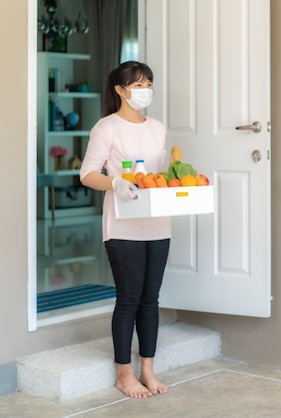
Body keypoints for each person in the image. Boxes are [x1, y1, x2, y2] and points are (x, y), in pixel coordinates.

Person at [80, 61, 170, 399]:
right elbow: (87, 174)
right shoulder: (107, 127)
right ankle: (124, 374)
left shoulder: (157, 127)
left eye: (149, 83)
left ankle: (147, 369)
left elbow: (158, 174)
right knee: (129, 299)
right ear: (120, 89)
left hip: (158, 224)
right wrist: (115, 182)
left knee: (151, 299)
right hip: (122, 225)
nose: (145, 89)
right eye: (138, 84)